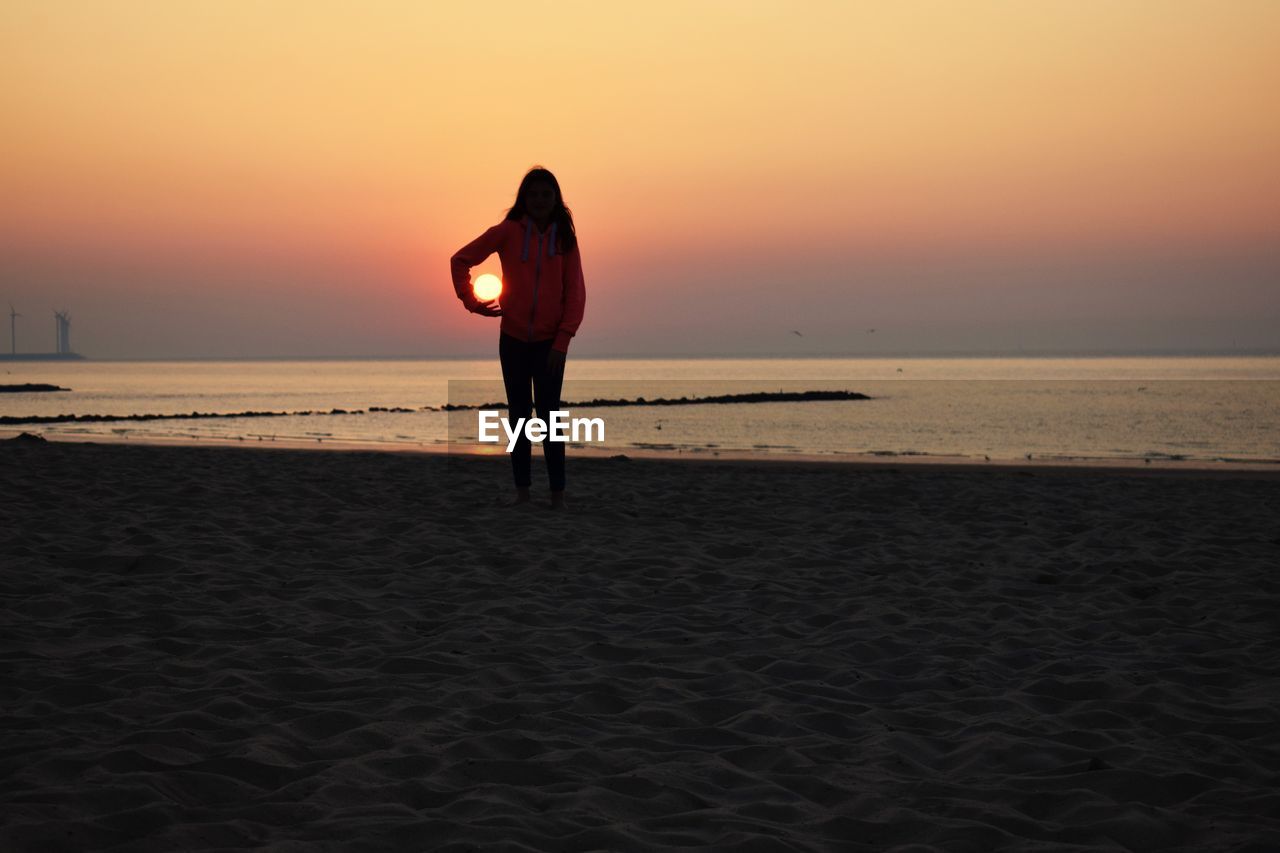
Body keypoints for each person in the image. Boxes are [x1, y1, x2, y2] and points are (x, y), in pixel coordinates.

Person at [450, 166, 587, 509]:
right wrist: (470, 301)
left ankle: (558, 496)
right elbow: (460, 259)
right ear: (523, 200)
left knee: (550, 416)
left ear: (556, 199)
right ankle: (522, 493)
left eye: (546, 194)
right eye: (533, 195)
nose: (540, 200)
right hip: (512, 340)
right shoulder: (508, 232)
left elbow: (576, 295)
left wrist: (562, 341)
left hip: (550, 344)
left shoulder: (565, 240)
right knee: (519, 416)